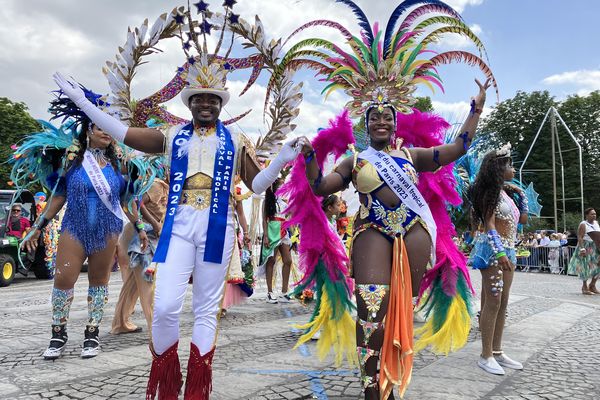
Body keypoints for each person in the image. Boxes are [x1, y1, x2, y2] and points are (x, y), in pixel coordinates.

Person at [52, 60, 300, 398]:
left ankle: (196, 389)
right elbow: (123, 133)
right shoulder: (171, 136)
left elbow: (256, 185)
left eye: (213, 99)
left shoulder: (236, 139)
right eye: (199, 98)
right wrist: (83, 104)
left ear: (221, 103)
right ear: (190, 103)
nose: (206, 104)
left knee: (205, 309)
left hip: (219, 224)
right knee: (166, 307)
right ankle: (168, 382)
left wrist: (281, 159)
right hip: (179, 223)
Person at [21, 92, 149, 360]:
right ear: (88, 129)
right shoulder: (71, 161)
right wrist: (38, 225)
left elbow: (128, 201)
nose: (107, 133)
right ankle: (58, 334)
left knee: (99, 282)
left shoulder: (121, 165)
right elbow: (58, 196)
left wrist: (139, 228)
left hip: (107, 229)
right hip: (74, 227)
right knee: (64, 278)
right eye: (101, 126)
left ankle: (92, 334)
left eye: (110, 128)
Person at [469, 145, 529, 375]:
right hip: (494, 251)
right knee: (493, 302)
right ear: (498, 168)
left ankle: (497, 350)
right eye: (509, 164)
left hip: (509, 250)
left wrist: (521, 196)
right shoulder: (489, 193)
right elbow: (490, 224)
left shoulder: (506, 193)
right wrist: (501, 252)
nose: (513, 169)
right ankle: (485, 355)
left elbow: (521, 220)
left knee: (503, 303)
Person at [111, 178, 168, 334]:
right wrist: (153, 224)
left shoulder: (162, 186)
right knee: (147, 282)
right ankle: (156, 328)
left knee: (134, 283)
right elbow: (135, 203)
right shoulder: (156, 185)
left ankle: (120, 323)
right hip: (141, 235)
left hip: (142, 233)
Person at [260, 177, 294, 304]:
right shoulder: (267, 202)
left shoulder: (284, 203)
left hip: (283, 231)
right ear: (274, 187)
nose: (282, 188)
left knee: (288, 260)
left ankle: (284, 292)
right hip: (272, 231)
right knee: (271, 261)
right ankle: (269, 292)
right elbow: (264, 219)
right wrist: (265, 236)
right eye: (280, 186)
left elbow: (291, 214)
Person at [568, 208, 600, 294]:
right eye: (592, 214)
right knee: (585, 267)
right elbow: (580, 237)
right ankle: (584, 287)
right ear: (587, 215)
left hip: (595, 246)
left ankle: (592, 285)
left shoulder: (596, 223)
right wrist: (582, 249)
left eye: (595, 214)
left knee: (598, 266)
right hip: (585, 246)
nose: (594, 215)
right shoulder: (583, 224)